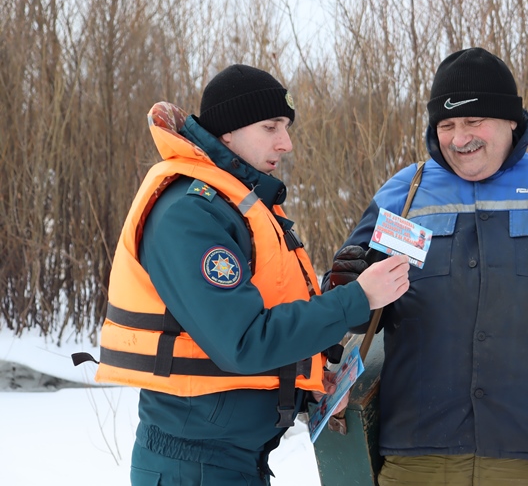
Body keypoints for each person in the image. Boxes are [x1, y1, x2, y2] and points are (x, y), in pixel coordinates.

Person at [323, 48, 528, 486]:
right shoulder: (404, 198)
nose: (459, 139)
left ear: (511, 120)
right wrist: (345, 286)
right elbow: (355, 313)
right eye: (447, 125)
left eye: (474, 122)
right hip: (417, 460)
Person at [85, 64, 410, 485]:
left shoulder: (239, 204)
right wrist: (356, 299)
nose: (286, 143)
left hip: (231, 461)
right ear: (227, 132)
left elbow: (268, 314)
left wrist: (310, 374)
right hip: (193, 465)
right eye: (270, 127)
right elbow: (242, 342)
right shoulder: (192, 213)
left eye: (286, 127)